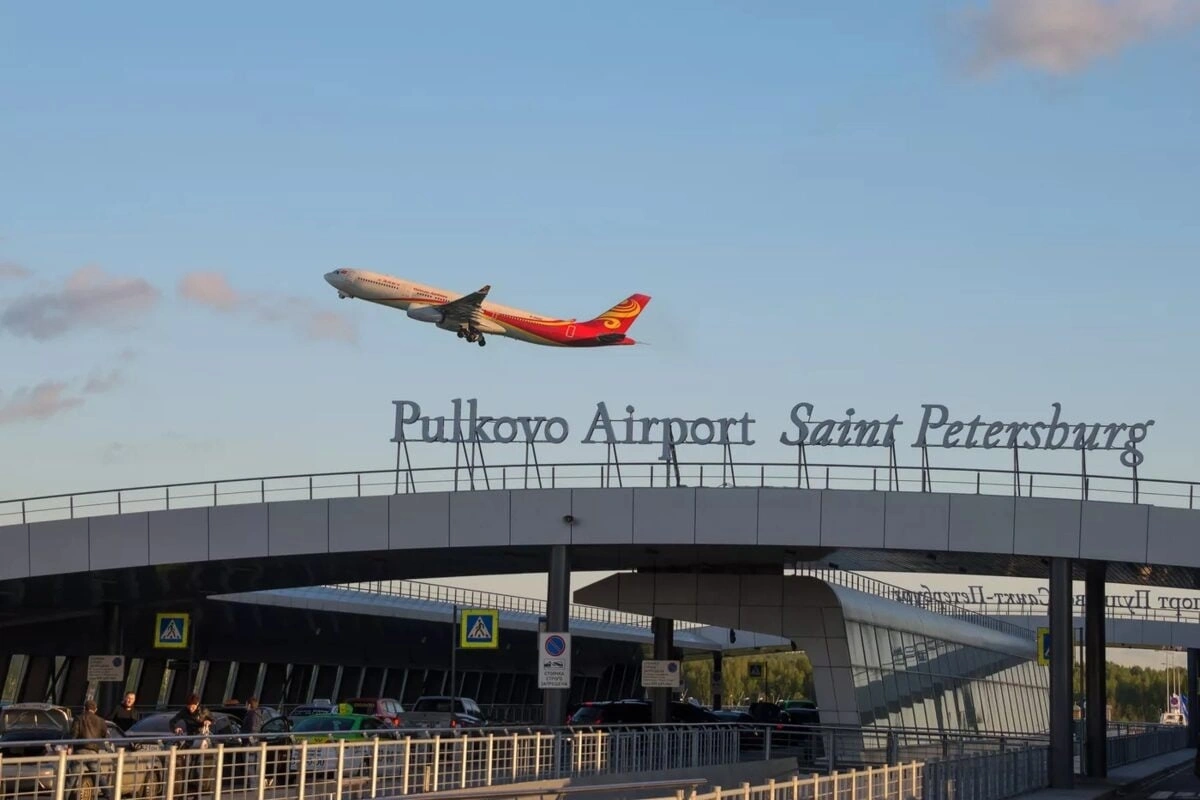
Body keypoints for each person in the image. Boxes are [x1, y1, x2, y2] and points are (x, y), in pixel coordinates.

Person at [67, 700, 111, 799]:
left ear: (84, 708)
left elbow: (74, 733)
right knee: (99, 776)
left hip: (80, 750)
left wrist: (70, 746)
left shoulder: (79, 718)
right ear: (95, 710)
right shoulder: (101, 721)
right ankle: (108, 795)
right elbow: (105, 736)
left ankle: (64, 797)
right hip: (93, 752)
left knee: (72, 778)